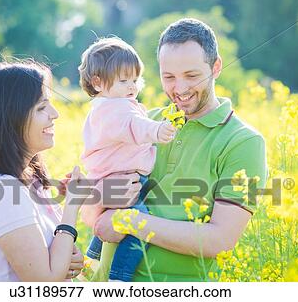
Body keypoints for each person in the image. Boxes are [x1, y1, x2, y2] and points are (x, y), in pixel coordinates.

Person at [82, 18, 268, 281]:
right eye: (168, 77)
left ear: (216, 67)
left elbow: (220, 240)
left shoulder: (244, 142)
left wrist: (131, 222)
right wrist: (99, 195)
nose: (179, 89)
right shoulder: (145, 123)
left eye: (192, 76)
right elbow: (93, 218)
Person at [0, 61, 87, 281]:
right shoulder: (2, 192)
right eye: (42, 107)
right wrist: (72, 207)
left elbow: (52, 262)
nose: (55, 114)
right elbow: (44, 282)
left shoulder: (27, 181)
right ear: (10, 118)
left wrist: (64, 258)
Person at [78, 37, 177, 281]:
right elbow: (133, 126)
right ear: (98, 82)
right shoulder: (115, 108)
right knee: (139, 225)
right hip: (121, 182)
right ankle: (119, 278)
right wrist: (156, 131)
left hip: (116, 181)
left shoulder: (107, 105)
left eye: (135, 79)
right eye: (124, 80)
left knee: (120, 222)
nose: (132, 86)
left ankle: (93, 254)